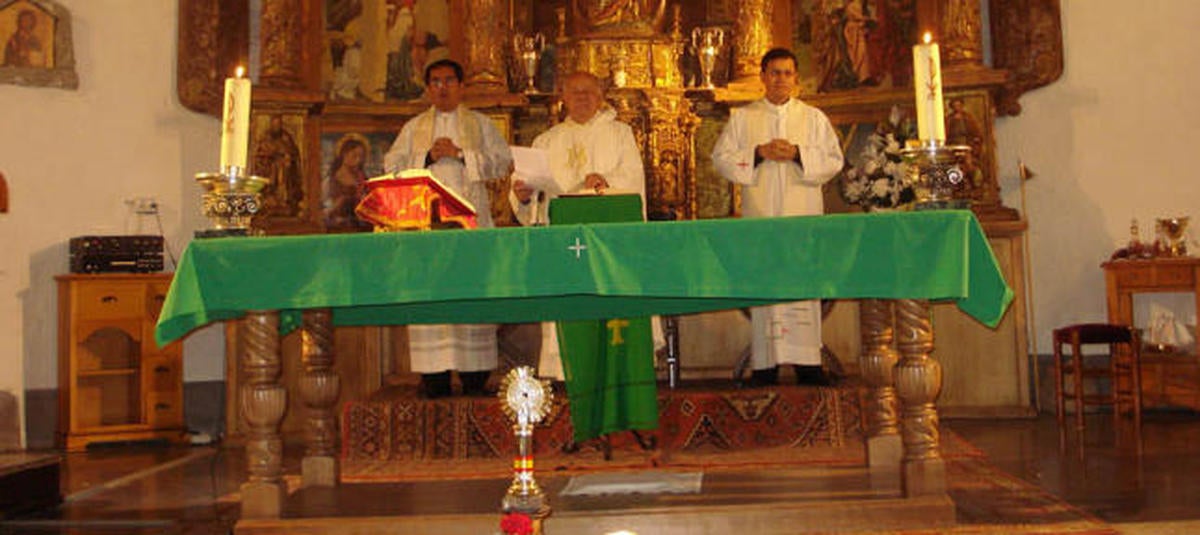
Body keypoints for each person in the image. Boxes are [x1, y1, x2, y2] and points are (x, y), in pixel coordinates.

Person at [711, 47, 844, 387]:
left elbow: (833, 160)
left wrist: (799, 154)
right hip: (762, 218)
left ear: (796, 79)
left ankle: (808, 364)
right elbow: (721, 159)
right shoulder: (743, 118)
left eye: (787, 73)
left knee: (804, 286)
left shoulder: (813, 118)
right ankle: (765, 365)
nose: (781, 78)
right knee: (765, 287)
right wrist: (757, 153)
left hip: (802, 219)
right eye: (774, 72)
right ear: (763, 77)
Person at [383, 59, 513, 397]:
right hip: (428, 227)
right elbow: (391, 167)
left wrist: (461, 154)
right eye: (436, 81)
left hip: (470, 226)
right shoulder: (414, 128)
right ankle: (434, 379)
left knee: (472, 296)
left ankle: (475, 378)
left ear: (461, 86)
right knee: (433, 300)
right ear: (427, 88)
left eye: (449, 80)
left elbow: (502, 162)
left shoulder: (481, 125)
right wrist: (426, 157)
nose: (442, 87)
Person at [509, 71, 649, 381]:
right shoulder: (546, 140)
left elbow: (635, 180)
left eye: (589, 92)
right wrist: (522, 195)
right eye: (575, 92)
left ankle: (618, 373)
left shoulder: (620, 133)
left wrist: (604, 183)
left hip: (610, 241)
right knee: (570, 310)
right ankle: (567, 374)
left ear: (601, 97)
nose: (582, 97)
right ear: (563, 98)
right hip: (564, 242)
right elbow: (526, 191)